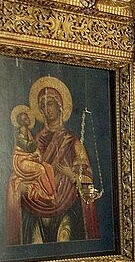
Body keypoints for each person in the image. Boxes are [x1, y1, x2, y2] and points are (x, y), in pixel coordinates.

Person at [6, 81, 98, 245]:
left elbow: (88, 178)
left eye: (50, 103)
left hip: (66, 207)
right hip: (35, 208)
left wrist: (72, 175)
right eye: (42, 105)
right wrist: (19, 185)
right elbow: (21, 170)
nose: (46, 109)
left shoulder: (72, 142)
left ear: (60, 105)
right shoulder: (33, 141)